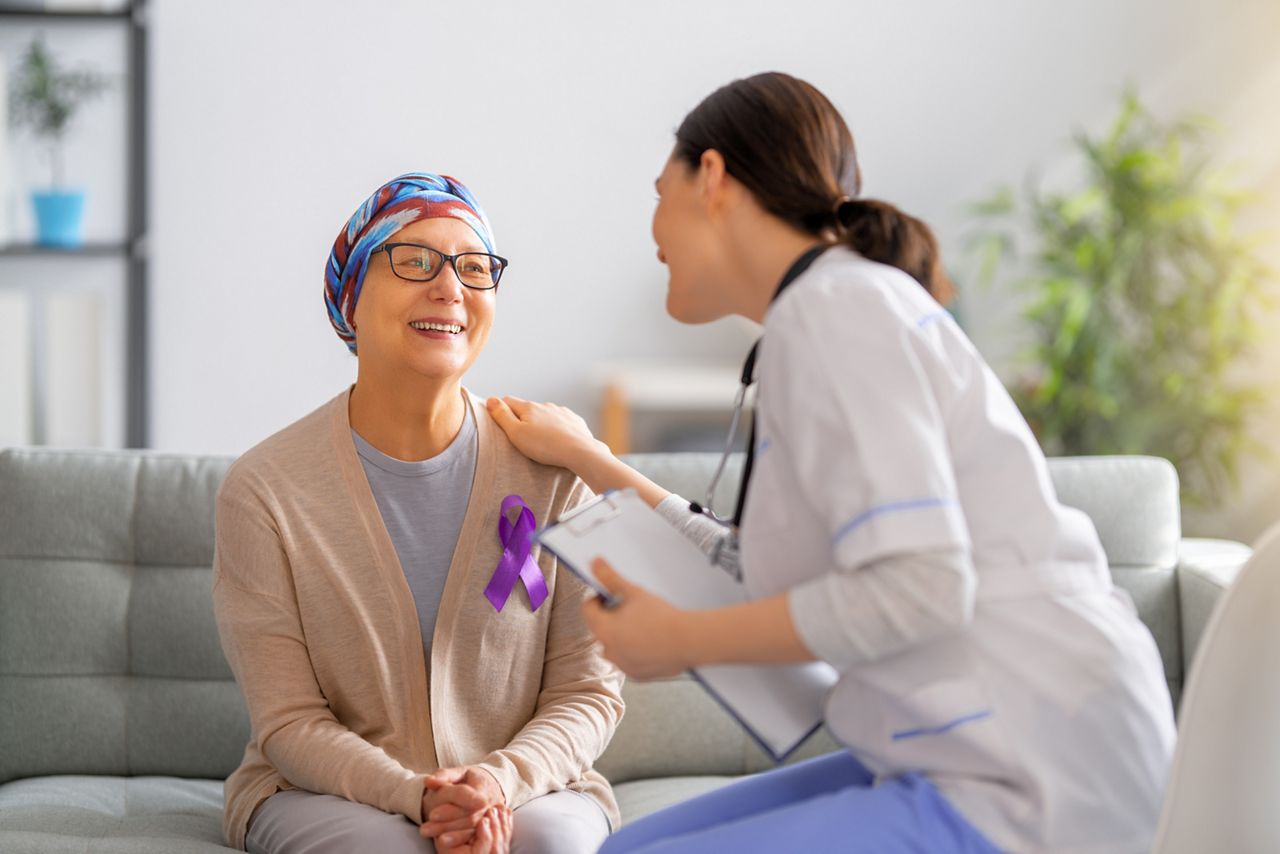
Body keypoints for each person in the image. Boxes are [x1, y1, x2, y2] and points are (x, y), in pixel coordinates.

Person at [485, 73, 1175, 853]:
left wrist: (684, 640)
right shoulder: (824, 316)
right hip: (975, 753)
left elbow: (923, 588)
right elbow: (747, 568)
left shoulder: (838, 312)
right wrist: (592, 460)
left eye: (658, 191)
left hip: (1036, 776)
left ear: (711, 176)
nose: (651, 227)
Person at [211, 172, 622, 854]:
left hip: (530, 791)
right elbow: (288, 722)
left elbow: (589, 693)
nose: (450, 286)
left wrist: (495, 783)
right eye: (414, 260)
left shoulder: (557, 471)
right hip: (323, 794)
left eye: (473, 266)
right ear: (351, 297)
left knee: (552, 845)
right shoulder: (263, 491)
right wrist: (419, 796)